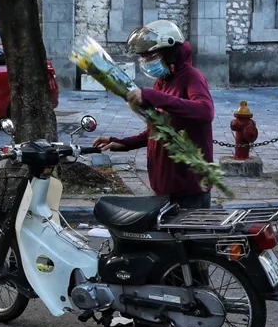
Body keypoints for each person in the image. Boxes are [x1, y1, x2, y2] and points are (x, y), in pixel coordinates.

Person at [92, 20, 216, 208]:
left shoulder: (192, 77)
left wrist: (152, 96)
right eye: (144, 58)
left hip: (189, 188)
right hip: (164, 185)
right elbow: (160, 128)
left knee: (189, 237)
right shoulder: (162, 82)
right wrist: (124, 143)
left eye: (151, 57)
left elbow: (205, 111)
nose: (147, 62)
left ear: (170, 52)